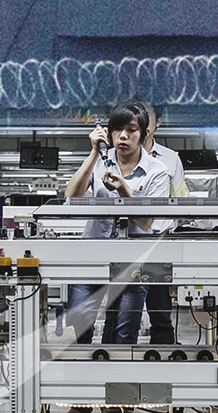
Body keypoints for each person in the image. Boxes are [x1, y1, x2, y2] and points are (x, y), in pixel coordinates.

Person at [63, 102, 172, 346]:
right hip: (91, 257)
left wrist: (124, 189)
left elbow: (146, 222)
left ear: (145, 133)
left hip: (133, 263)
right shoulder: (100, 160)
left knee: (125, 335)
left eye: (131, 130)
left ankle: (118, 381)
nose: (123, 136)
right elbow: (71, 197)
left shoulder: (157, 171)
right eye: (117, 129)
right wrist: (93, 153)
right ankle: (80, 382)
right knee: (78, 333)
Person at [132, 100, 187, 345]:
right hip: (128, 239)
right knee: (124, 304)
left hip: (158, 240)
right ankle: (119, 351)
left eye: (147, 114)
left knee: (160, 305)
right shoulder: (119, 153)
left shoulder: (170, 158)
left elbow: (181, 197)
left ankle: (164, 351)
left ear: (158, 122)